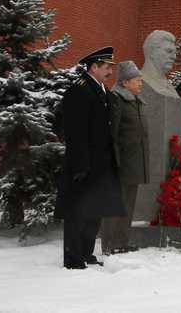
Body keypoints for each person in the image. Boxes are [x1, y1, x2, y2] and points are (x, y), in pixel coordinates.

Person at [55, 47, 125, 270]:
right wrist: (80, 165)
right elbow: (75, 133)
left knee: (94, 209)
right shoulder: (80, 90)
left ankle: (86, 252)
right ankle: (73, 257)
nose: (110, 72)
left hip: (101, 162)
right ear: (93, 67)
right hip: (84, 163)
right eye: (106, 67)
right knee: (77, 211)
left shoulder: (101, 90)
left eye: (111, 68)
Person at [101, 60, 148, 255]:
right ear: (126, 82)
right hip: (122, 163)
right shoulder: (116, 100)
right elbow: (112, 134)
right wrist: (115, 162)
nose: (140, 84)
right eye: (137, 81)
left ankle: (121, 241)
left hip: (134, 161)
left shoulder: (134, 100)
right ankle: (109, 244)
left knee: (128, 204)